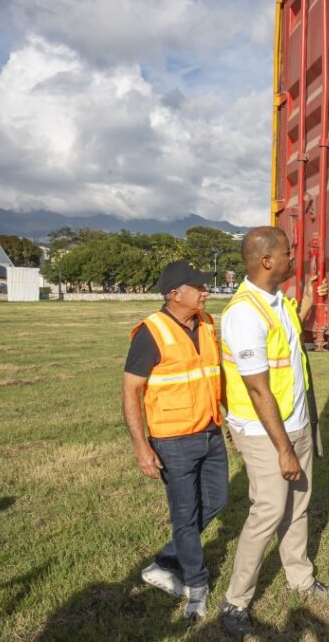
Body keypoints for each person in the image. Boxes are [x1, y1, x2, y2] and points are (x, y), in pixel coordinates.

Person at [218, 226, 329, 638]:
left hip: (296, 421)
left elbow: (291, 330)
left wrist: (308, 297)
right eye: (288, 253)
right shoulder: (244, 313)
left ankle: (301, 579)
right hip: (264, 432)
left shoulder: (275, 303)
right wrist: (284, 449)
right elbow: (257, 388)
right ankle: (235, 602)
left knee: (299, 504)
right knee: (268, 511)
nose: (294, 258)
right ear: (267, 261)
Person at [121, 260, 227, 620]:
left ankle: (165, 561)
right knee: (185, 516)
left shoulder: (208, 323)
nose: (206, 291)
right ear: (174, 294)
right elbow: (130, 390)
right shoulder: (150, 333)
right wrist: (141, 447)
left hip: (211, 431)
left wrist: (227, 417)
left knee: (216, 500)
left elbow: (215, 374)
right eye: (199, 287)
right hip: (173, 441)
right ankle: (196, 586)